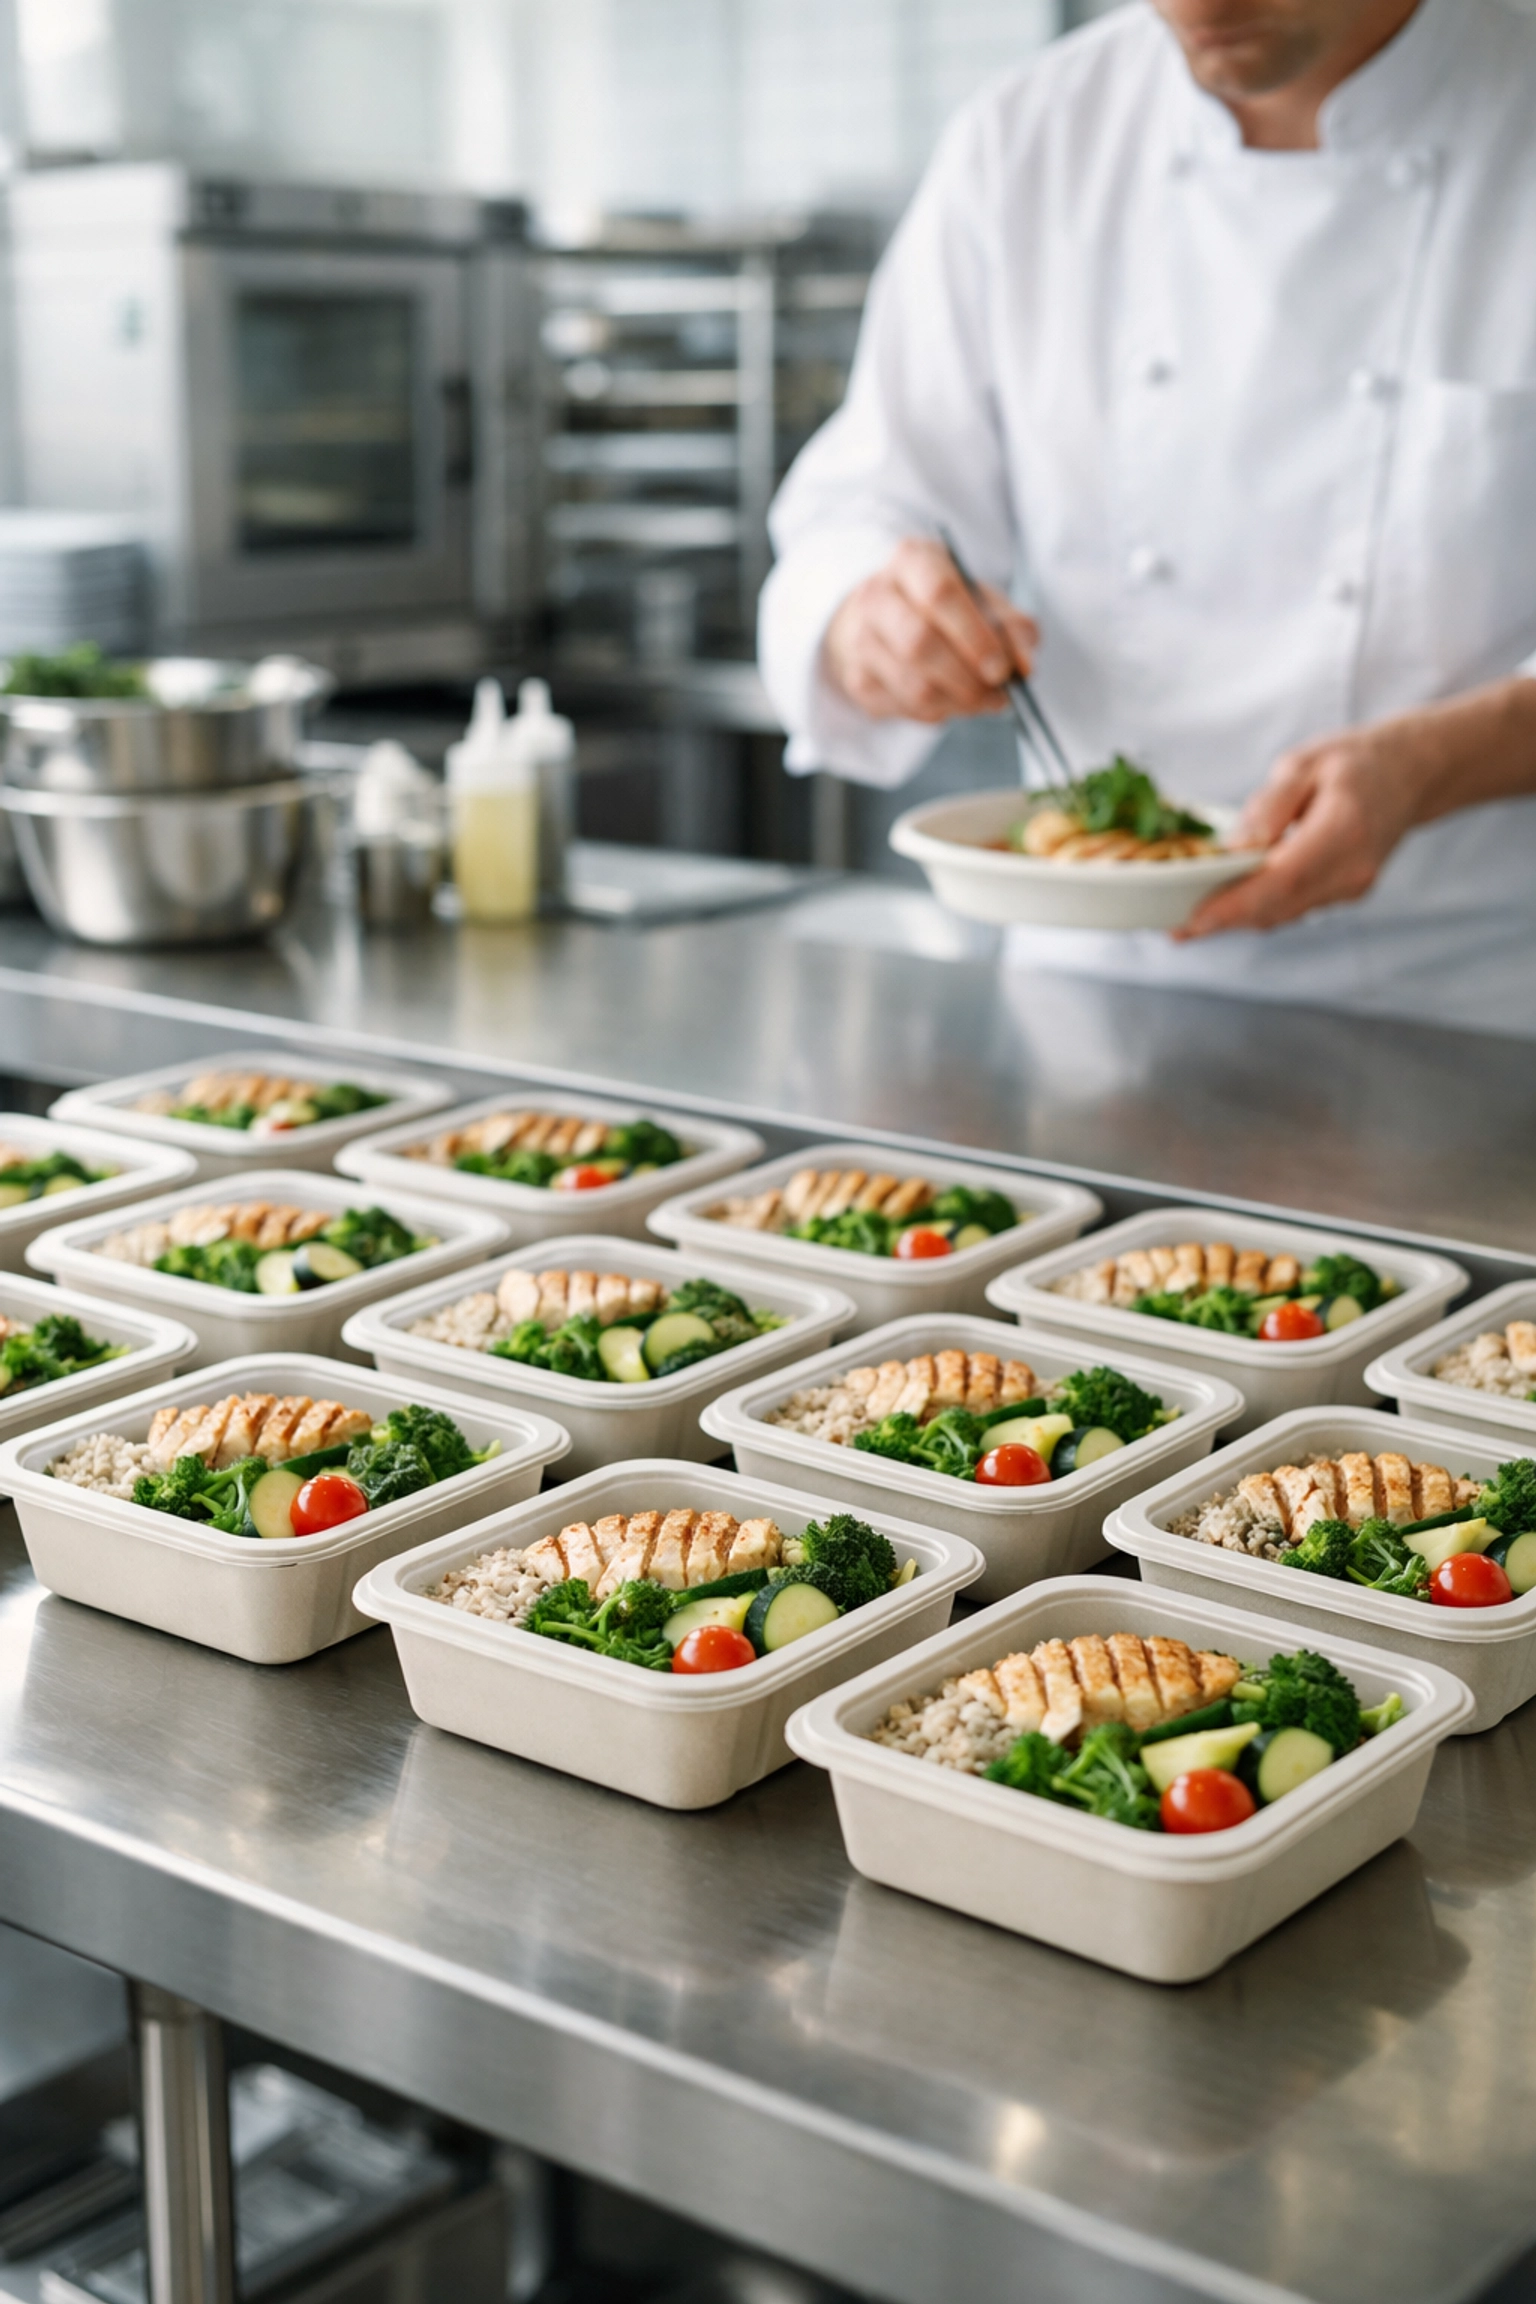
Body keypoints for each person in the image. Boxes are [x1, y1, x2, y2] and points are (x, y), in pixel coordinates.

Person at [758, 0, 1536, 1033]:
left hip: (1476, 1008)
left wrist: (1436, 763)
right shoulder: (1031, 141)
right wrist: (871, 619)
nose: (1203, 9)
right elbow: (869, 500)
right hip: (1087, 999)